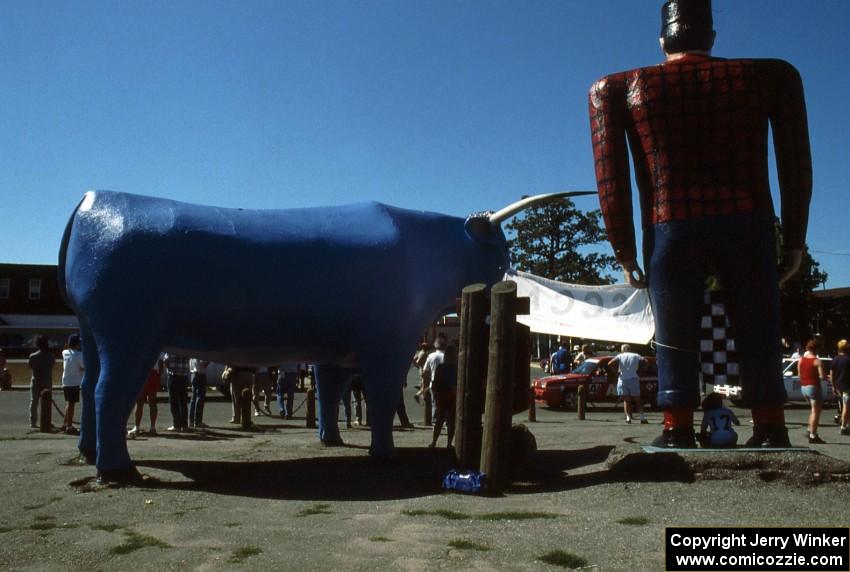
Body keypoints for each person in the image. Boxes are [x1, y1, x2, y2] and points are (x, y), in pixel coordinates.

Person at [590, 0, 812, 448]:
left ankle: (677, 425)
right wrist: (795, 240)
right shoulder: (770, 75)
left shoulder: (618, 87)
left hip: (670, 222)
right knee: (758, 322)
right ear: (711, 36)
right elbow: (795, 164)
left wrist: (624, 249)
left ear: (661, 39)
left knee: (674, 329)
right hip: (747, 220)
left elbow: (610, 177)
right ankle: (770, 423)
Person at [609, 344, 647, 424]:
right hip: (633, 378)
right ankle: (642, 417)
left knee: (626, 400)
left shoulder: (620, 356)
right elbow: (646, 361)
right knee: (637, 399)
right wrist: (640, 372)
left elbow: (610, 363)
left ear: (622, 350)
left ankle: (628, 418)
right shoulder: (636, 355)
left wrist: (616, 373)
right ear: (630, 349)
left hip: (622, 379)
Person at [429, 345, 458, 448]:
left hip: (442, 395)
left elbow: (435, 382)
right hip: (453, 394)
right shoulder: (457, 367)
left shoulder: (441, 367)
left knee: (439, 420)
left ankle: (434, 442)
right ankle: (449, 443)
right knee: (451, 421)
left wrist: (436, 394)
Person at [799, 339, 826, 444]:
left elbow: (801, 374)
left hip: (804, 387)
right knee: (816, 412)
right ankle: (813, 435)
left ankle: (810, 429)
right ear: (817, 349)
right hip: (813, 387)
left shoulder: (801, 360)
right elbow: (822, 376)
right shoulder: (817, 361)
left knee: (812, 410)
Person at [27, 335, 55, 429]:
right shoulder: (51, 356)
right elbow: (52, 366)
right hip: (47, 380)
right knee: (47, 402)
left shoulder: (32, 356)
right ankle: (46, 421)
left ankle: (33, 422)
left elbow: (30, 366)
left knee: (34, 402)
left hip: (36, 380)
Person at [128, 360, 160, 437]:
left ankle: (140, 427)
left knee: (142, 401)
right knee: (147, 401)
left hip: (145, 372)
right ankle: (150, 427)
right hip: (150, 373)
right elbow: (161, 363)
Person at [60, 334, 84, 434]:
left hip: (65, 380)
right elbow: (83, 367)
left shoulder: (65, 352)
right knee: (71, 404)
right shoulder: (79, 355)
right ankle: (69, 425)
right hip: (74, 381)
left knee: (69, 402)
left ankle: (65, 423)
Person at [421, 334, 447, 423]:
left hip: (434, 383)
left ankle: (435, 423)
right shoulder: (447, 356)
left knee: (435, 404)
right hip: (446, 384)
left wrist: (424, 385)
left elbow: (424, 372)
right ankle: (446, 423)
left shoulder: (430, 356)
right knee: (446, 404)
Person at [163, 353, 190, 432]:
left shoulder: (171, 349)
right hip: (184, 377)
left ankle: (176, 425)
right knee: (183, 402)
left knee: (174, 402)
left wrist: (168, 368)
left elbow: (165, 361)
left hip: (173, 376)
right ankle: (184, 425)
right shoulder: (186, 349)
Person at [831, 339, 850, 436]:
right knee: (846, 406)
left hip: (839, 386)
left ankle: (845, 424)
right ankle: (843, 426)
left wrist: (833, 386)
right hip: (847, 386)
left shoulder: (835, 359)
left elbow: (832, 374)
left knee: (844, 406)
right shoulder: (848, 359)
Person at [188, 358, 209, 428]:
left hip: (193, 374)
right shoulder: (200, 354)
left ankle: (191, 421)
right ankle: (197, 421)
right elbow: (203, 363)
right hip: (200, 374)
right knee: (200, 398)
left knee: (193, 398)